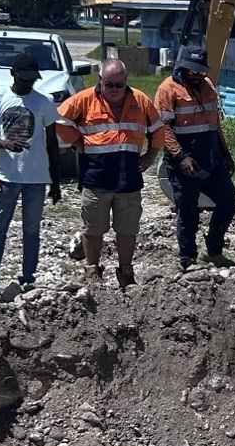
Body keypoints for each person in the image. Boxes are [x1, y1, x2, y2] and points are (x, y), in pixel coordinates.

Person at [53, 57, 159, 289]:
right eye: (108, 84)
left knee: (128, 228)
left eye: (118, 85)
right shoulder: (84, 99)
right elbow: (59, 120)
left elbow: (159, 129)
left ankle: (126, 272)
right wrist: (78, 144)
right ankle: (92, 270)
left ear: (126, 81)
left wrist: (151, 155)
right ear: (100, 80)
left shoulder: (140, 100)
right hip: (96, 176)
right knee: (93, 228)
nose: (113, 90)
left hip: (128, 177)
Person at [0, 51, 64, 299]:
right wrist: (4, 144)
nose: (28, 82)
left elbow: (52, 142)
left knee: (31, 230)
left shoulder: (43, 101)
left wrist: (55, 182)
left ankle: (27, 279)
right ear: (12, 74)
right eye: (24, 78)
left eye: (32, 78)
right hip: (6, 176)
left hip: (36, 178)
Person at [152, 44, 235, 272]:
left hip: (211, 160)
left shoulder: (208, 85)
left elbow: (214, 123)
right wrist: (181, 157)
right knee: (188, 210)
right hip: (184, 164)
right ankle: (187, 258)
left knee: (229, 202)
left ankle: (213, 250)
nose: (198, 76)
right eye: (193, 72)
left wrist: (225, 153)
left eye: (201, 71)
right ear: (182, 68)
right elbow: (164, 128)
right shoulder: (168, 89)